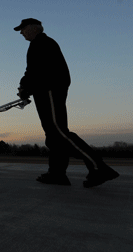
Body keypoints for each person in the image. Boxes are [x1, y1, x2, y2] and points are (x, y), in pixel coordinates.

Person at [15, 18, 119, 188]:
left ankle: (98, 167)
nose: (21, 32)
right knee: (53, 135)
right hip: (46, 90)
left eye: (23, 29)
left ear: (34, 29)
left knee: (59, 132)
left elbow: (37, 71)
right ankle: (57, 173)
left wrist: (26, 87)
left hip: (49, 90)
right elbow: (35, 71)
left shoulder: (42, 43)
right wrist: (26, 87)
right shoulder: (40, 44)